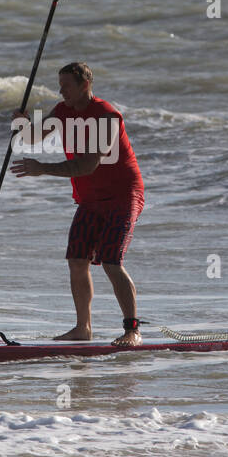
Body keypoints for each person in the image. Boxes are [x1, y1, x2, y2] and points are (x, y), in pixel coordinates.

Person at [11, 62, 144, 346]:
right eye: (59, 86)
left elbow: (87, 165)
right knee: (77, 260)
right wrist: (22, 125)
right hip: (90, 200)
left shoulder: (107, 117)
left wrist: (42, 169)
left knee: (111, 261)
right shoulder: (62, 112)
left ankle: (132, 331)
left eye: (66, 86)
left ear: (85, 85)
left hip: (123, 196)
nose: (61, 92)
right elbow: (33, 137)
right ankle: (83, 328)